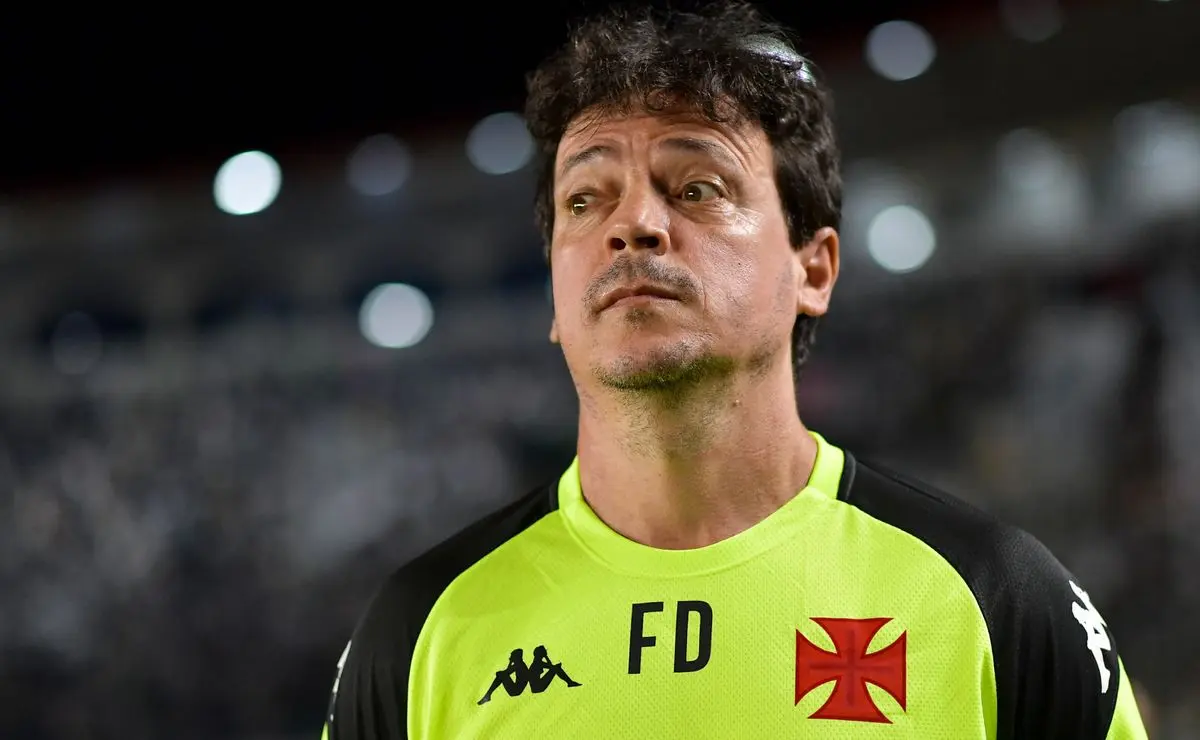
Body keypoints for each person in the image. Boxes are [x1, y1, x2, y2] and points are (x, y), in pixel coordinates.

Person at [322, 2, 1149, 738]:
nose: (633, 224)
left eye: (696, 188)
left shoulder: (994, 598)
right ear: (554, 293)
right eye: (585, 200)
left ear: (814, 269)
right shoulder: (421, 631)